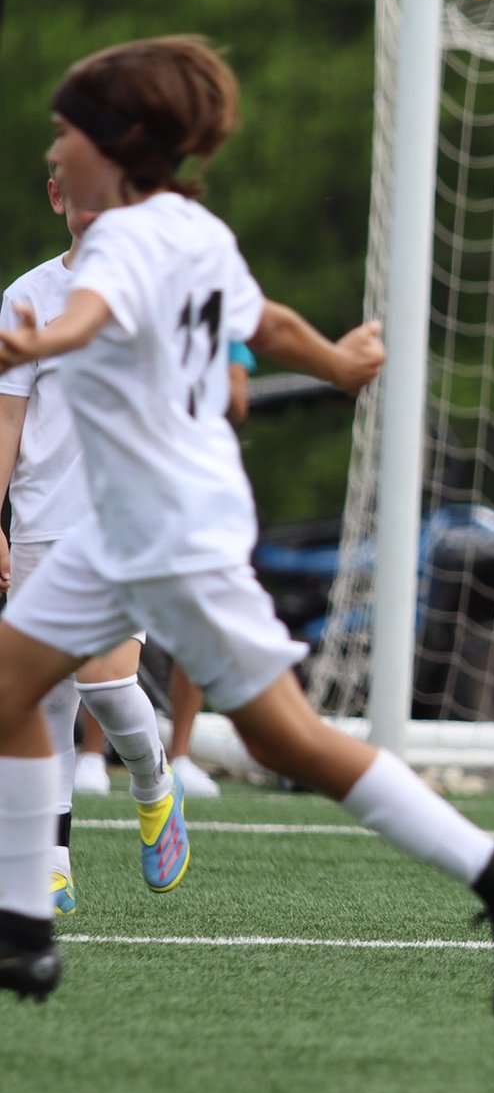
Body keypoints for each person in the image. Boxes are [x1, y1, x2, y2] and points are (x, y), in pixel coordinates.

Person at [0, 36, 494, 1013]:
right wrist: (340, 366)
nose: (53, 154)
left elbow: (90, 312)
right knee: (12, 688)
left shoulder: (118, 247)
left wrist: (40, 338)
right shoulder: (194, 232)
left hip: (171, 533)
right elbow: (264, 324)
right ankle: (22, 930)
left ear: (120, 142)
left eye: (63, 135)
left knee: (287, 743)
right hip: (119, 529)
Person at [0, 171, 185, 915]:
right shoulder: (25, 298)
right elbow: (8, 424)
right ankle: (48, 861)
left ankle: (152, 779)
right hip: (45, 523)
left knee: (107, 686)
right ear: (56, 198)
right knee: (43, 695)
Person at [163, 339, 253, 801]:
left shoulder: (224, 324)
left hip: (198, 490)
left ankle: (178, 756)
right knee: (114, 618)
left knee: (197, 623)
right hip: (149, 478)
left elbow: (236, 403)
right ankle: (94, 757)